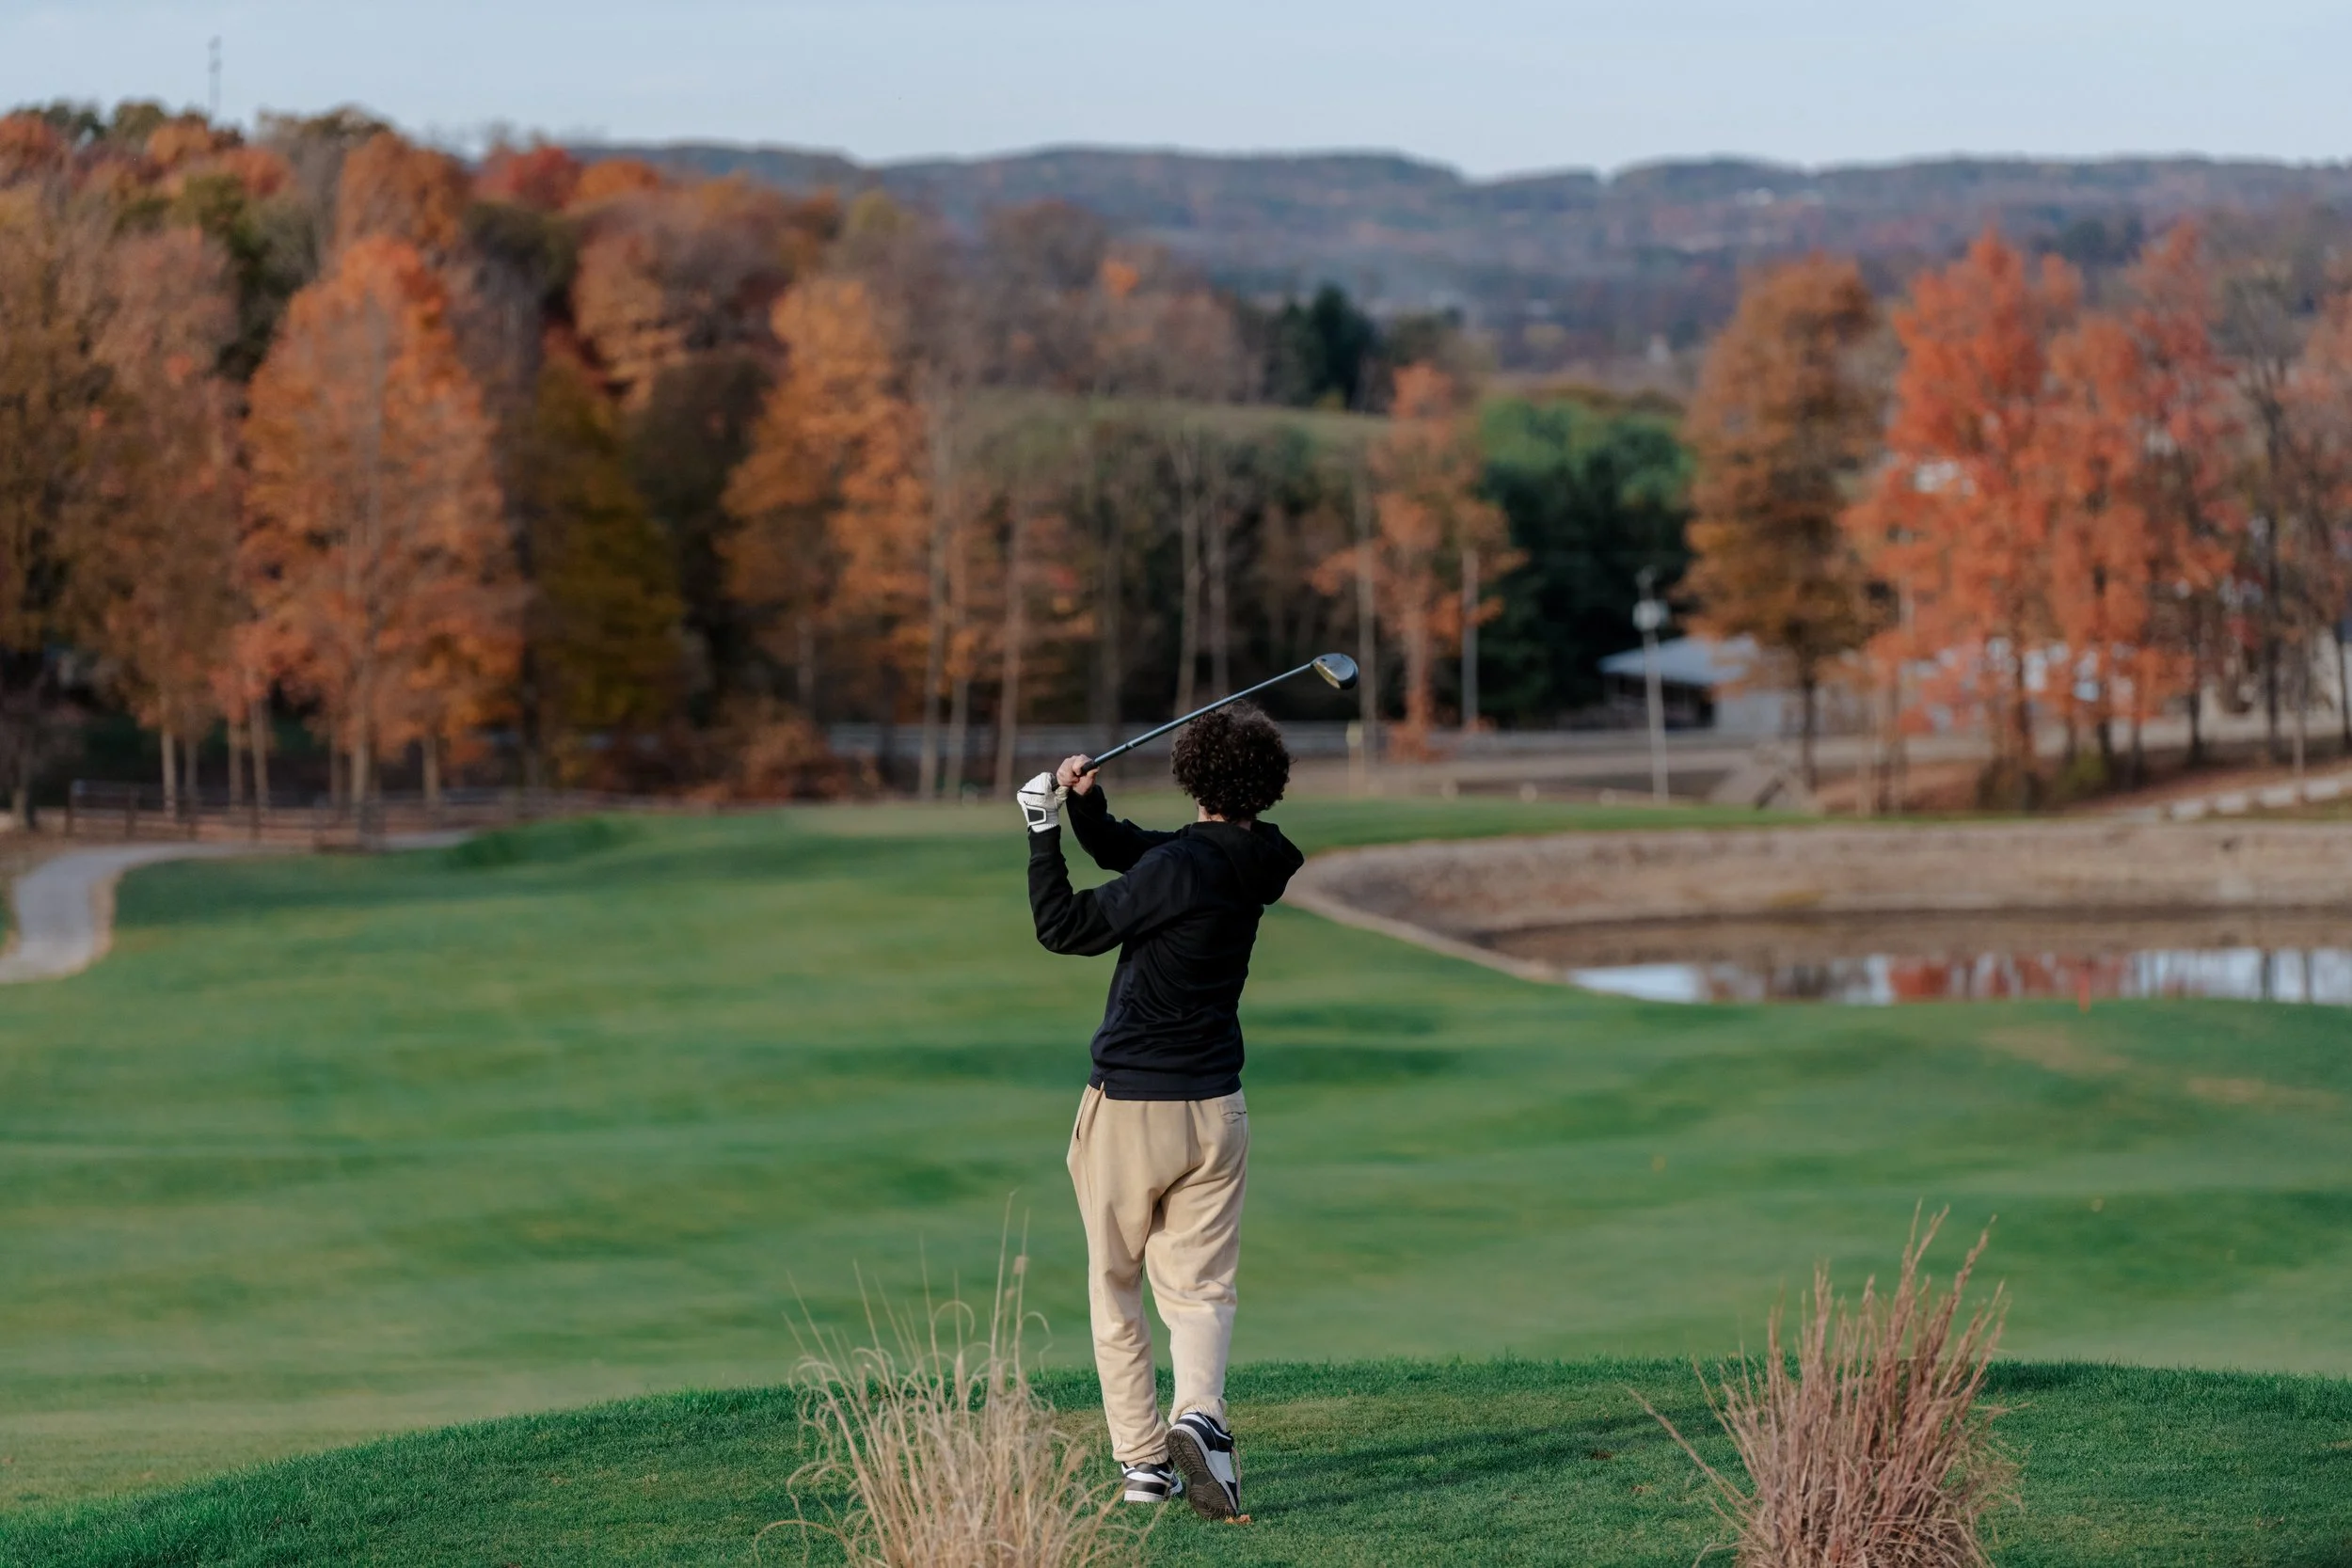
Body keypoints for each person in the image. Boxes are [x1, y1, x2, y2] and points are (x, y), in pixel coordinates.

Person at [1017, 703, 1304, 1523]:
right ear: (1266, 785)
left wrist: (1041, 829)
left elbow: (1064, 927)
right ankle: (1201, 1416)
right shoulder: (1260, 858)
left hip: (1133, 1107)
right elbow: (1142, 853)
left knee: (1117, 1284)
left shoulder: (1183, 864)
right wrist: (1088, 809)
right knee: (1203, 1287)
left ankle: (1145, 1462)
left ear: (1192, 777)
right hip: (1217, 1108)